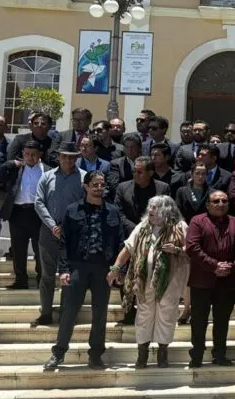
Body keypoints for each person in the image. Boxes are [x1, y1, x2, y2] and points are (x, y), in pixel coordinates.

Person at [43, 171, 123, 371]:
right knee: (69, 311)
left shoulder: (112, 212)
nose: (98, 188)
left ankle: (95, 355)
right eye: (95, 184)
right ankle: (58, 353)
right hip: (78, 266)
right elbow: (64, 243)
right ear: (86, 186)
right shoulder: (72, 210)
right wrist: (64, 269)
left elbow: (119, 243)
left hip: (102, 269)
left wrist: (118, 269)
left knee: (100, 313)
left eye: (102, 185)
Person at [111, 195, 190, 369]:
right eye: (150, 207)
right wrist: (116, 268)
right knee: (144, 315)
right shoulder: (143, 227)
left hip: (171, 281)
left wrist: (177, 250)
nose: (150, 211)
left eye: (155, 207)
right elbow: (128, 248)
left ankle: (162, 354)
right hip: (144, 280)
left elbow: (191, 249)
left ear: (166, 209)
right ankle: (142, 355)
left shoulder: (180, 227)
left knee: (167, 314)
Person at [185, 189, 235, 367]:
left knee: (222, 321)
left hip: (227, 281)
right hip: (202, 280)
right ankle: (196, 355)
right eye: (216, 201)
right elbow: (192, 247)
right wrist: (215, 265)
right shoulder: (197, 221)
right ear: (208, 204)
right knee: (198, 320)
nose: (220, 204)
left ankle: (219, 354)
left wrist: (232, 266)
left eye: (224, 201)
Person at [33, 141, 84, 327]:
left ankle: (66, 313)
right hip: (48, 232)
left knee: (68, 276)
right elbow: (38, 203)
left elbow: (85, 205)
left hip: (73, 234)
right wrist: (53, 225)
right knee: (47, 275)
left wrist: (68, 226)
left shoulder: (84, 177)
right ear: (58, 157)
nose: (68, 160)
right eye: (64, 156)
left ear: (77, 158)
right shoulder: (46, 177)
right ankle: (45, 313)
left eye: (72, 157)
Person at [0, 140, 46, 289]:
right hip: (18, 213)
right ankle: (20, 280)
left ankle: (41, 279)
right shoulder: (15, 169)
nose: (30, 157)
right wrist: (8, 164)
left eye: (34, 154)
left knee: (40, 249)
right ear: (23, 154)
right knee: (18, 249)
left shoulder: (47, 170)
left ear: (40, 155)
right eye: (27, 154)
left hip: (38, 214)